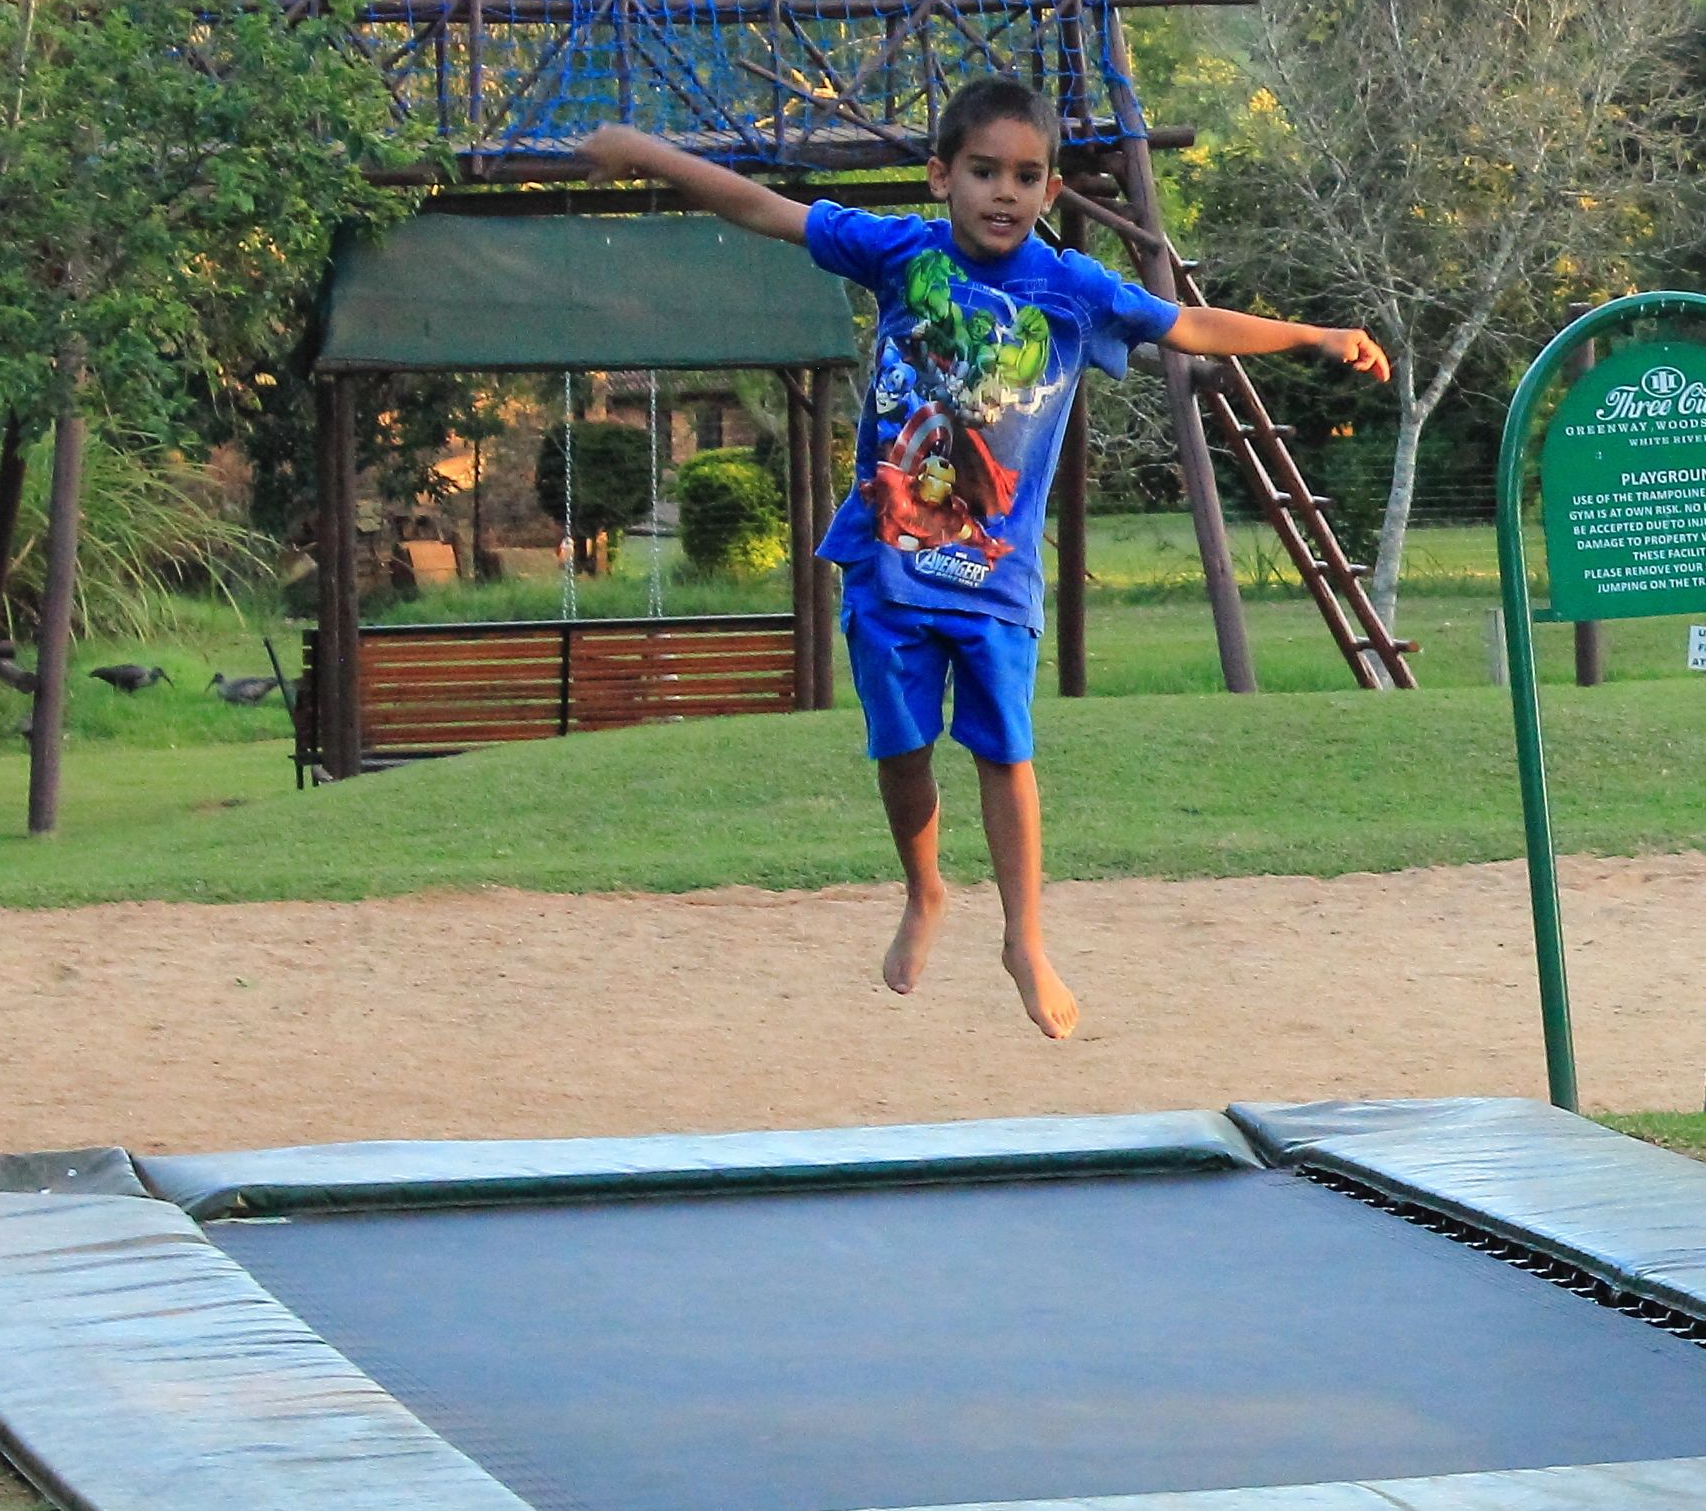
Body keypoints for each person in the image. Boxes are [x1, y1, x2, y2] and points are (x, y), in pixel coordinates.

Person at [581, 86, 1389, 1039]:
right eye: (982, 172)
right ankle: (925, 892)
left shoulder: (1071, 290)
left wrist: (1316, 335)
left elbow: (1190, 326)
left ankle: (1025, 938)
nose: (1003, 193)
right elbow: (763, 208)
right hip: (888, 562)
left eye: (1025, 176)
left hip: (994, 576)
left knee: (1006, 752)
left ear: (1049, 189)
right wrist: (649, 151)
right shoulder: (899, 253)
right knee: (901, 747)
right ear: (941, 176)